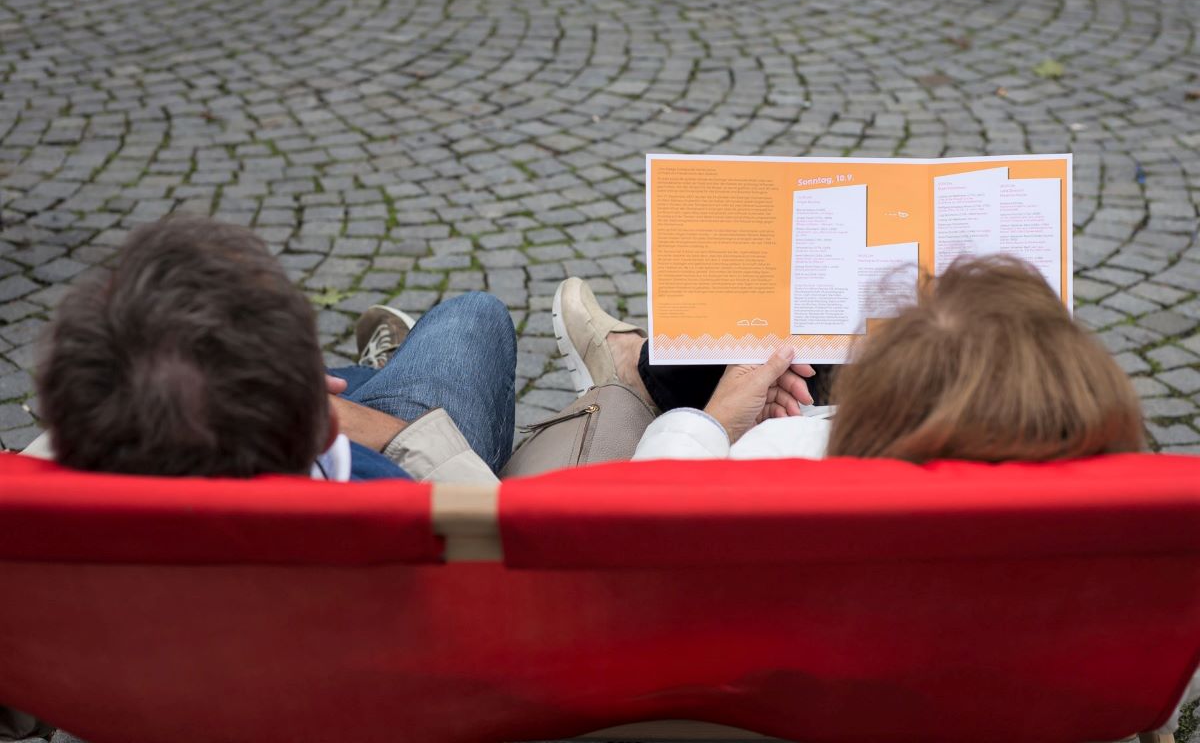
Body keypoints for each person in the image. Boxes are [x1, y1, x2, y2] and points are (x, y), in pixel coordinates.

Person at [34, 216, 514, 483]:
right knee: (471, 316)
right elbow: (477, 506)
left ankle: (375, 373)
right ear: (322, 430)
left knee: (358, 380)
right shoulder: (378, 493)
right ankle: (369, 378)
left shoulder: (36, 513)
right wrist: (337, 416)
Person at [552, 255, 1144, 462]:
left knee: (804, 360)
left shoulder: (789, 453)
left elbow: (647, 523)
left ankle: (633, 370)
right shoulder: (1138, 507)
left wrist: (717, 418)